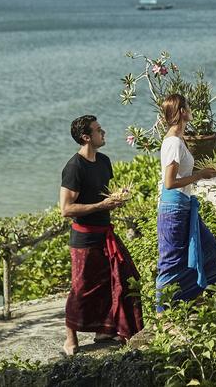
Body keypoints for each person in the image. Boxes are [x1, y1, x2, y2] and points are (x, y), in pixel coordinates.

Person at [59, 115, 143, 356]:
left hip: (105, 232)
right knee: (81, 288)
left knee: (120, 280)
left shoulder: (104, 161)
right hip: (84, 237)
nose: (103, 132)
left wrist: (117, 198)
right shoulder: (74, 167)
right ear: (86, 137)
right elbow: (66, 209)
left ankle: (104, 330)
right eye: (98, 130)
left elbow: (102, 196)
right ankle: (70, 338)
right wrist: (100, 206)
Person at [155, 93, 216, 310]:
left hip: (182, 205)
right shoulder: (173, 142)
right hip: (173, 207)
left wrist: (204, 172)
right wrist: (200, 175)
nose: (191, 109)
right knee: (171, 261)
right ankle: (162, 313)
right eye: (188, 106)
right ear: (182, 112)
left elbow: (181, 173)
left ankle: (193, 298)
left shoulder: (178, 140)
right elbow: (169, 182)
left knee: (207, 246)